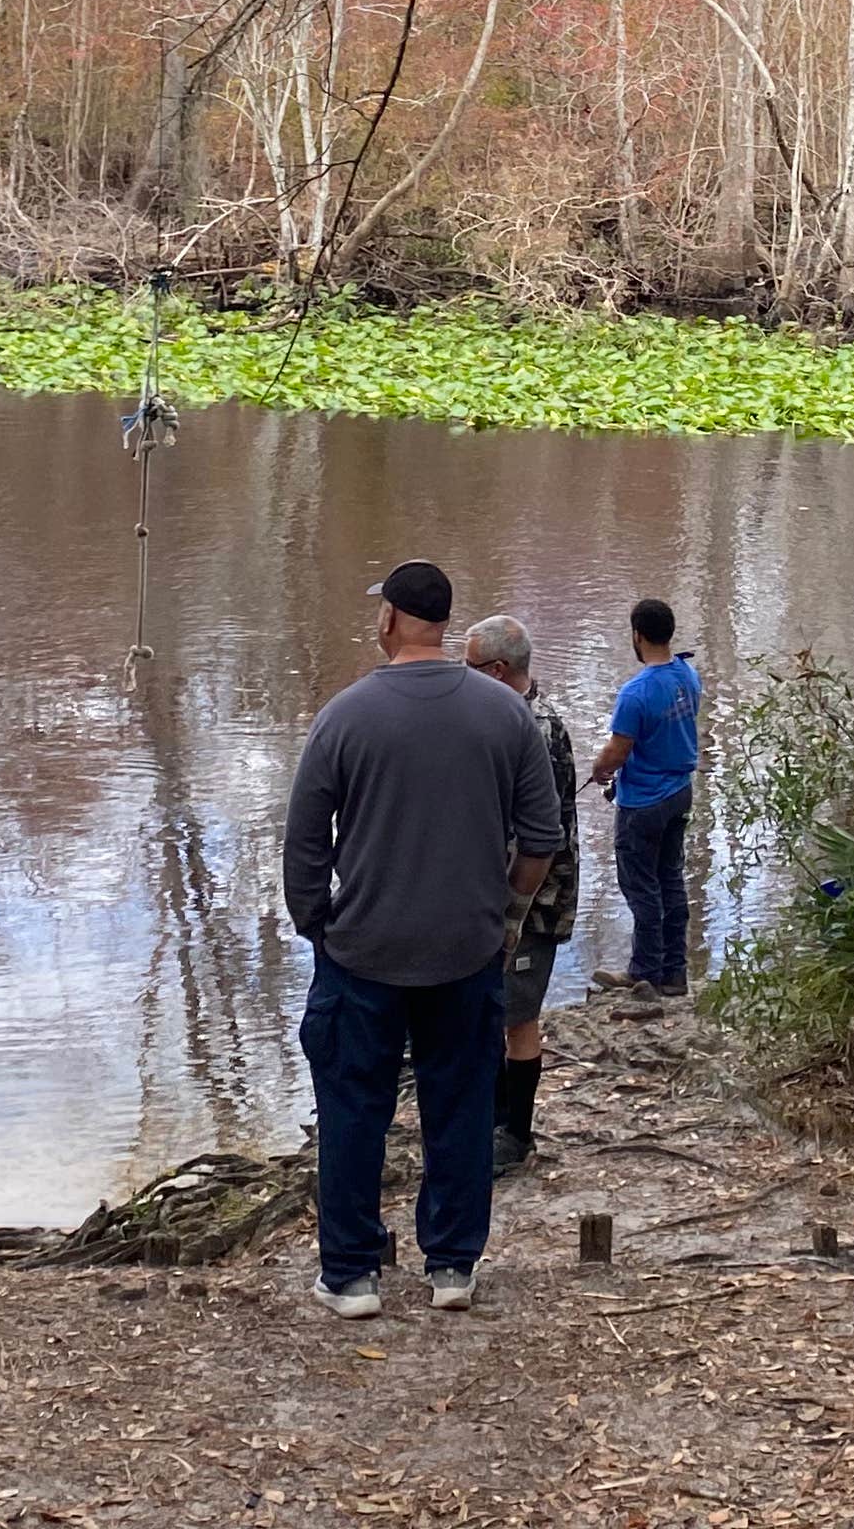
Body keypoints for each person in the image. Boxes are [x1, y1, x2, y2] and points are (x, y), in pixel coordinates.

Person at [282, 560, 564, 1321]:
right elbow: (542, 837)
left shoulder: (344, 716)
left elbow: (305, 839)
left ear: (390, 620)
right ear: (442, 624)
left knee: (352, 1110)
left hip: (362, 950)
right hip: (466, 951)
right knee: (462, 1107)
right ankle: (451, 1266)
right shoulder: (505, 715)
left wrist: (316, 922)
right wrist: (504, 914)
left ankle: (350, 1275)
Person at [459, 613, 579, 1175]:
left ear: (500, 669)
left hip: (535, 899)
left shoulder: (537, 727)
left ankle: (515, 1132)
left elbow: (541, 833)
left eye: (470, 668)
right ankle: (490, 1120)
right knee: (492, 1008)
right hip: (496, 893)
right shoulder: (503, 715)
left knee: (517, 1014)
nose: (462, 678)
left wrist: (513, 904)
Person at [586, 597, 700, 998]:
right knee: (670, 879)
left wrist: (599, 770)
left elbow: (618, 750)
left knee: (642, 887)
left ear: (637, 635)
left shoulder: (636, 693)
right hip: (679, 793)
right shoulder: (688, 675)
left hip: (644, 803)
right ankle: (675, 972)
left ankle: (644, 971)